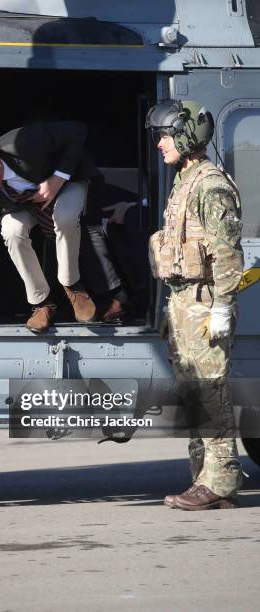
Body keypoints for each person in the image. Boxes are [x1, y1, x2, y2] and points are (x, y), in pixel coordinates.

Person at [145, 99, 244, 510]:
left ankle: (220, 480)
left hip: (205, 303)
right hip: (184, 302)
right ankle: (205, 477)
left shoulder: (210, 185)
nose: (160, 145)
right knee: (193, 395)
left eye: (165, 136)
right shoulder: (185, 180)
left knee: (208, 393)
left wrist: (222, 307)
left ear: (186, 137)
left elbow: (227, 256)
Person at [0, 121, 126, 335]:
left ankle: (72, 285)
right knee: (11, 230)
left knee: (64, 216)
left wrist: (57, 178)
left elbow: (78, 130)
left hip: (66, 184)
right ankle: (41, 303)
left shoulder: (27, 143)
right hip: (24, 205)